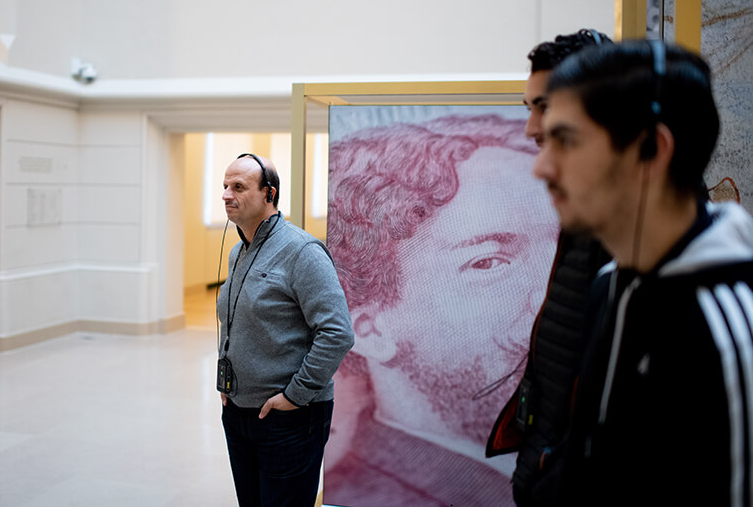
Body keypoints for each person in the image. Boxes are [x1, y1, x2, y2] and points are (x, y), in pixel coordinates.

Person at [535, 39, 753, 506]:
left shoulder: (729, 332)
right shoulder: (610, 285)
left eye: (566, 141)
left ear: (652, 150)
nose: (542, 167)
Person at [323, 113, 559, 507]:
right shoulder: (370, 494)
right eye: (488, 263)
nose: (547, 298)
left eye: (559, 254)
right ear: (367, 328)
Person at [484, 29, 614, 507]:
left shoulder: (639, 242)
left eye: (546, 107)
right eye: (530, 108)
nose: (531, 128)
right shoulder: (583, 218)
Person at [217, 153, 354, 507]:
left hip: (289, 419)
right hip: (239, 411)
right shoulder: (238, 253)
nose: (227, 195)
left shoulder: (301, 251)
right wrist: (228, 383)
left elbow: (337, 332)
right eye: (225, 187)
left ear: (269, 194)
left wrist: (295, 396)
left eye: (239, 187)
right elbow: (232, 320)